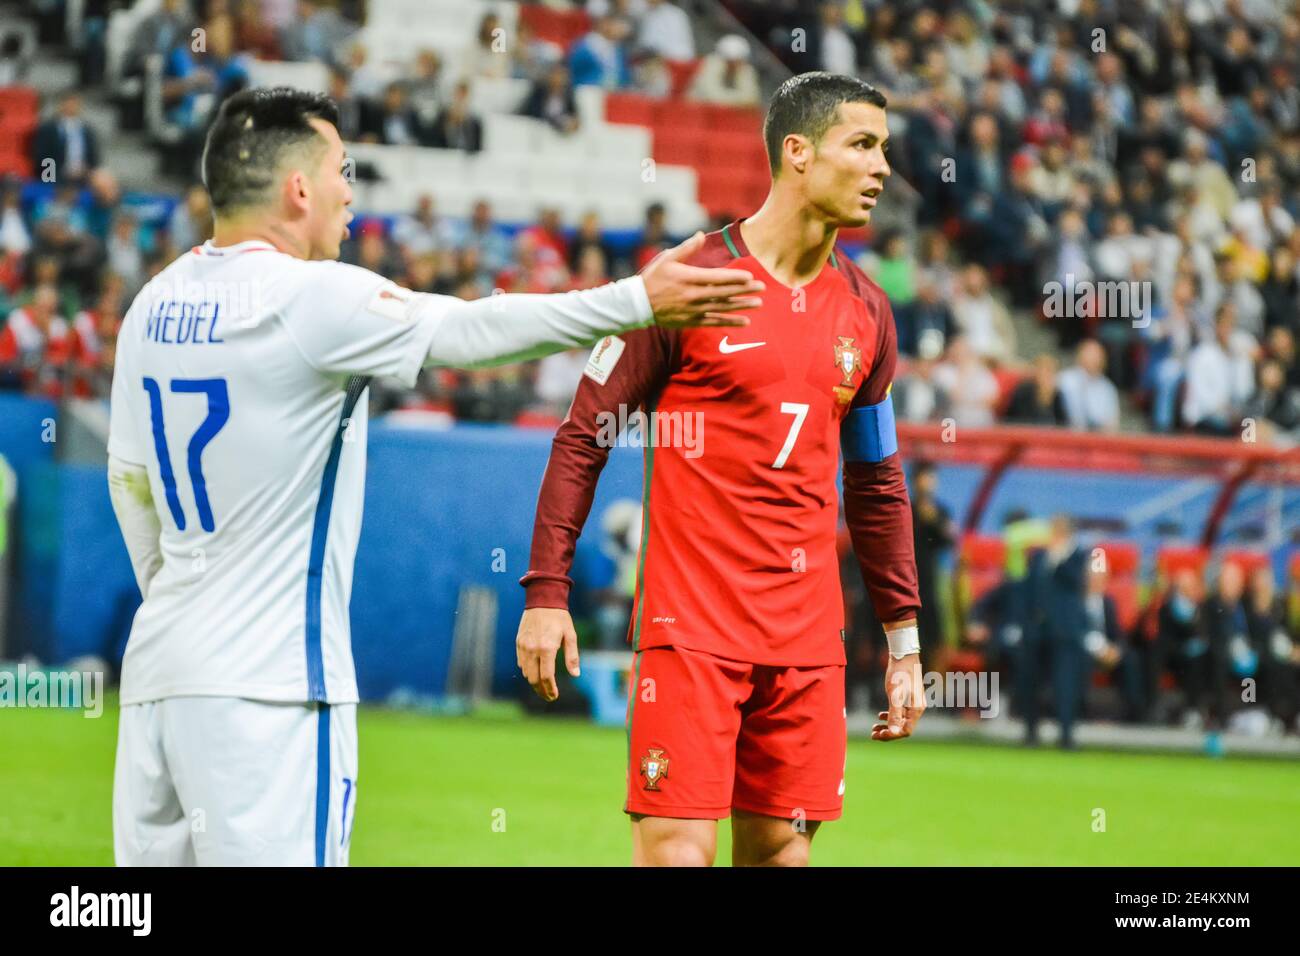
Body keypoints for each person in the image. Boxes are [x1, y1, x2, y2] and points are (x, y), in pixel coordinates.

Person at [105, 86, 764, 868]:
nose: (352, 193)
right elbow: (471, 329)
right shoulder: (310, 297)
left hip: (157, 680)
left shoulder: (152, 303)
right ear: (299, 189)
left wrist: (185, 610)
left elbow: (130, 484)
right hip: (271, 691)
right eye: (343, 171)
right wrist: (635, 299)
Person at [515, 72, 923, 867]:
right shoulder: (689, 280)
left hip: (806, 639)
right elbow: (584, 436)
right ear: (797, 153)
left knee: (781, 856)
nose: (881, 168)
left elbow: (876, 481)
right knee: (677, 854)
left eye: (886, 148)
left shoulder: (869, 311)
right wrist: (547, 591)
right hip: (690, 628)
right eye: (863, 145)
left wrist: (904, 642)